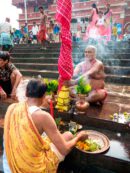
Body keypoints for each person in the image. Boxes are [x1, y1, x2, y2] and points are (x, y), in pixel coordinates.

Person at [3, 79, 87, 173]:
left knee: (66, 135)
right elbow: (64, 150)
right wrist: (79, 137)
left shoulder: (12, 108)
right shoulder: (43, 116)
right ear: (44, 96)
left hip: (9, 163)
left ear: (26, 93)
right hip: (31, 168)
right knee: (70, 135)